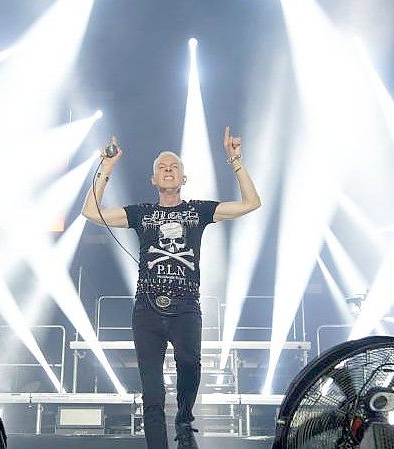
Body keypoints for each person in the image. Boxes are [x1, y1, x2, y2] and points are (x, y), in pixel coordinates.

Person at [81, 126, 261, 449]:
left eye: (173, 166)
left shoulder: (197, 211)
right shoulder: (142, 214)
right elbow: (91, 212)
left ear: (183, 178)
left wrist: (235, 160)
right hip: (147, 310)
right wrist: (106, 167)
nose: (167, 169)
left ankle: (184, 417)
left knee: (190, 366)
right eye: (161, 167)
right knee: (152, 394)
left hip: (186, 308)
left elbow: (251, 202)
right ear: (153, 180)